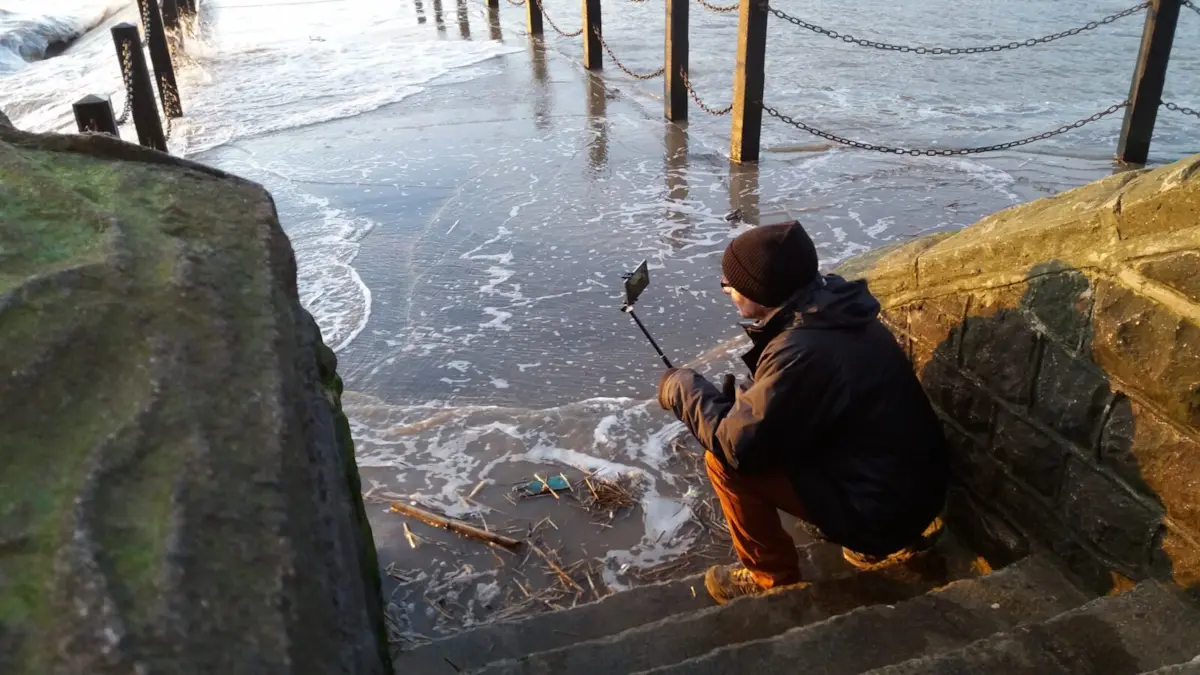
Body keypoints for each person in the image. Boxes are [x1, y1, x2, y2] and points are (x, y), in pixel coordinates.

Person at [657, 221, 948, 605]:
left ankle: (773, 582)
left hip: (883, 514)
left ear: (761, 290)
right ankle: (872, 541)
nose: (726, 289)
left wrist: (682, 387)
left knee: (722, 464)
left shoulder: (802, 349)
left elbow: (737, 448)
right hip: (915, 492)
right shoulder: (836, 310)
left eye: (732, 282)